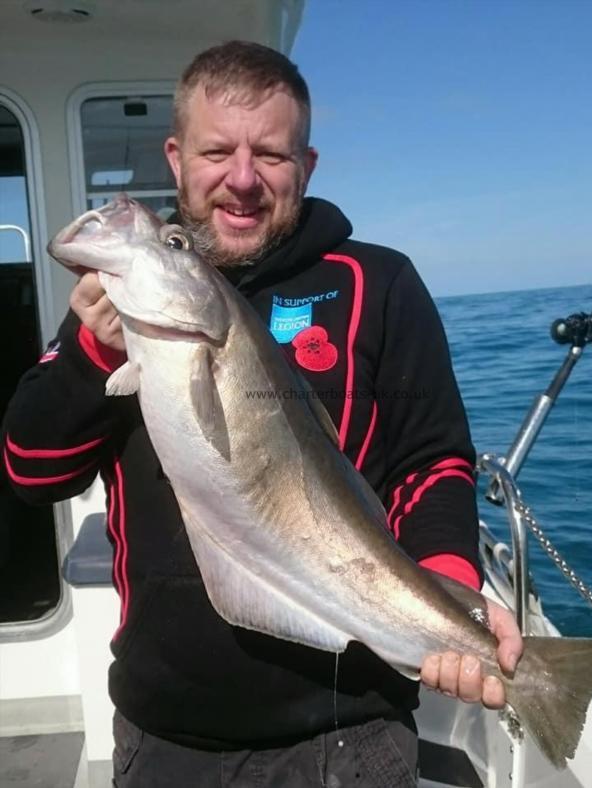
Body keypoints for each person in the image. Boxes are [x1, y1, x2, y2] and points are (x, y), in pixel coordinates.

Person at [3, 41, 522, 787]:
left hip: (349, 728)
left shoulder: (378, 283)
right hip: (165, 732)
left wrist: (446, 589)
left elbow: (431, 459)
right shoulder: (122, 308)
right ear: (177, 159)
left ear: (306, 168)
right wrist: (88, 352)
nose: (242, 180)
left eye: (270, 155)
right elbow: (29, 471)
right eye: (217, 151)